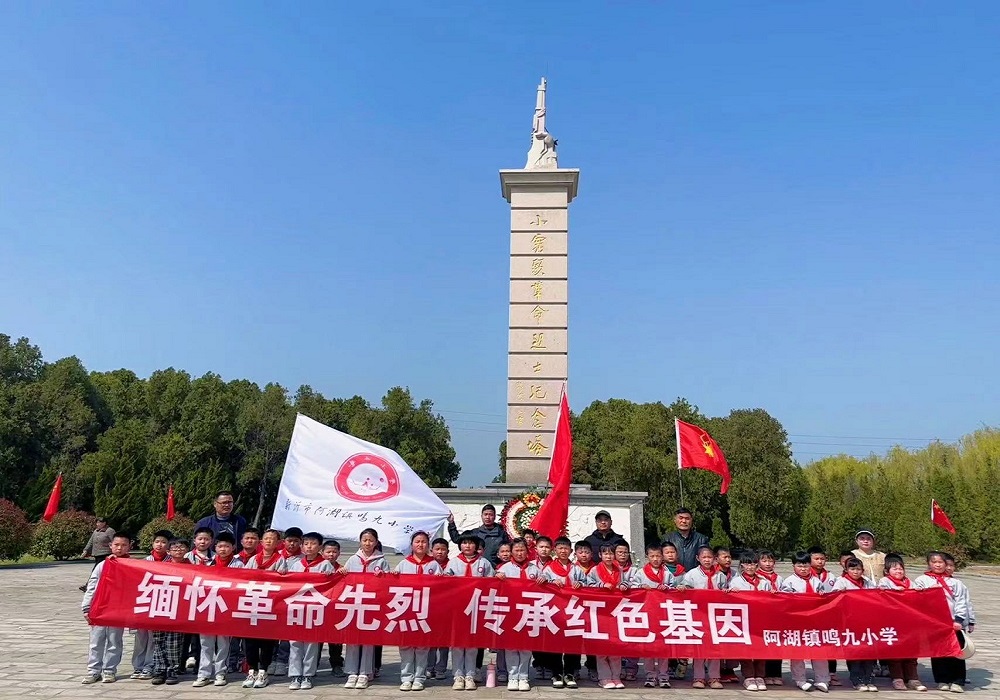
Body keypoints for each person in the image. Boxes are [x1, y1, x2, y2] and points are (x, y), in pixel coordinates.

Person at [914, 551, 971, 694]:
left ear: (946, 564)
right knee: (938, 653)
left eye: (941, 562)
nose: (938, 565)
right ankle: (942, 680)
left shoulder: (955, 583)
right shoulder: (922, 580)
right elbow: (915, 598)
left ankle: (958, 680)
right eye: (934, 562)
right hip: (934, 623)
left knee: (956, 652)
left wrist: (959, 619)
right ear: (929, 564)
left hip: (952, 623)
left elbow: (961, 602)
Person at [444, 533, 495, 690]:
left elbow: (491, 583)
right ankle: (458, 675)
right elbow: (445, 582)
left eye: (471, 543)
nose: (467, 546)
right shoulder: (453, 562)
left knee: (473, 645)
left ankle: (470, 675)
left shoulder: (484, 563)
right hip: (457, 609)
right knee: (457, 644)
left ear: (476, 546)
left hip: (476, 609)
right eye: (464, 543)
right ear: (460, 545)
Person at [191, 532, 242, 688]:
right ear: (215, 547)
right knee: (206, 644)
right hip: (208, 608)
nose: (223, 549)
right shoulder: (208, 563)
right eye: (220, 546)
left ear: (233, 547)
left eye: (227, 546)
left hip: (227, 609)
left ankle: (220, 673)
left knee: (223, 644)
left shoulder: (239, 565)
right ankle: (204, 674)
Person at [81, 531, 131, 684]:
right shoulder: (103, 565)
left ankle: (109, 670)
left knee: (114, 641)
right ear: (110, 546)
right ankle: (93, 671)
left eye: (123, 545)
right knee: (96, 641)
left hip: (119, 610)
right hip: (100, 608)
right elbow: (92, 586)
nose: (119, 548)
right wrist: (86, 607)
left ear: (130, 547)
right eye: (116, 545)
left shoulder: (133, 566)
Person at [285, 531, 334, 691]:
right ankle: (295, 674)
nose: (309, 546)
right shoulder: (296, 564)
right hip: (297, 608)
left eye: (313, 543)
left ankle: (308, 674)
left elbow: (332, 585)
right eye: (306, 543)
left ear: (320, 546)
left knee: (311, 643)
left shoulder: (325, 564)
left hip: (315, 609)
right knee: (295, 643)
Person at [394, 531, 441, 691]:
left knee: (422, 647)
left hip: (425, 611)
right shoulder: (403, 564)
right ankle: (406, 677)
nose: (420, 544)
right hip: (406, 610)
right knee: (406, 645)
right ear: (412, 544)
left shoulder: (434, 565)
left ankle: (420, 677)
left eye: (423, 542)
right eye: (417, 541)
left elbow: (441, 588)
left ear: (428, 544)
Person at [780, 551, 833, 693]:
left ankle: (822, 679)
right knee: (798, 652)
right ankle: (800, 679)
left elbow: (824, 600)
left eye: (806, 565)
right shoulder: (789, 581)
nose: (803, 569)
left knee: (819, 651)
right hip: (797, 622)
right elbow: (784, 601)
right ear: (793, 566)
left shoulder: (816, 580)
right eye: (799, 566)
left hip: (815, 621)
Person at [538, 536, 586, 688]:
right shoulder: (548, 568)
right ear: (555, 551)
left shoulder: (576, 569)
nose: (563, 551)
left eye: (566, 548)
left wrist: (580, 584)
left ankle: (570, 672)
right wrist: (550, 582)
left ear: (571, 551)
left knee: (573, 642)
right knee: (556, 643)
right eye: (560, 548)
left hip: (573, 611)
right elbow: (541, 581)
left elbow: (588, 585)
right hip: (556, 611)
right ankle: (556, 673)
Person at [343, 528, 387, 689]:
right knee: (353, 640)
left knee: (369, 641)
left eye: (371, 540)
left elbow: (388, 583)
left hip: (372, 605)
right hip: (354, 605)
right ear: (360, 541)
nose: (367, 543)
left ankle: (365, 672)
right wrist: (341, 572)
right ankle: (351, 672)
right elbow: (343, 577)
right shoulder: (353, 559)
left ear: (376, 542)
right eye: (364, 540)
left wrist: (384, 575)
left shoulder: (381, 560)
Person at [679, 546, 728, 689]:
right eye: (704, 557)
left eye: (709, 557)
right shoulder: (691, 574)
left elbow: (726, 592)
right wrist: (684, 589)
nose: (707, 560)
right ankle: (698, 677)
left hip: (716, 616)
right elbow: (684, 588)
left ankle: (714, 677)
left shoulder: (720, 575)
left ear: (714, 559)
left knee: (714, 647)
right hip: (698, 615)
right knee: (699, 647)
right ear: (697, 559)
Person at [242, 529, 285, 688]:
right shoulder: (254, 559)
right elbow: (244, 578)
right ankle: (252, 670)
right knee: (250, 641)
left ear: (278, 543)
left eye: (272, 539)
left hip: (270, 606)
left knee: (267, 640)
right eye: (266, 538)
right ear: (261, 541)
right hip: (253, 604)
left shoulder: (280, 560)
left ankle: (263, 671)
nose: (268, 541)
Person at [877, 554, 927, 692]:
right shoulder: (884, 581)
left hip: (910, 623)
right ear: (887, 571)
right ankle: (897, 678)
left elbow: (920, 597)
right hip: (893, 623)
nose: (899, 571)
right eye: (895, 569)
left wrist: (918, 592)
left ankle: (913, 678)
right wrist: (892, 592)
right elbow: (880, 595)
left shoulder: (910, 582)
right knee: (896, 653)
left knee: (911, 651)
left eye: (901, 569)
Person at [496, 538, 539, 691]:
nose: (520, 553)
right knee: (511, 647)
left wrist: (545, 579)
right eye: (517, 550)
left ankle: (524, 677)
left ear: (527, 552)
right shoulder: (504, 569)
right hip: (511, 613)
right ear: (512, 552)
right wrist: (497, 579)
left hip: (529, 612)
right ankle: (512, 677)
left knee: (526, 647)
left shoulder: (534, 569)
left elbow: (546, 588)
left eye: (522, 550)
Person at [728, 551, 773, 691]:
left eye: (753, 563)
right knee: (746, 648)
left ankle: (760, 675)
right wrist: (732, 592)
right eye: (747, 564)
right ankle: (748, 676)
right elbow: (727, 598)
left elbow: (772, 600)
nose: (751, 567)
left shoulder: (765, 582)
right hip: (744, 621)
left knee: (761, 648)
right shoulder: (736, 581)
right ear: (742, 565)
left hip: (761, 619)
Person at [131, 530, 172, 680]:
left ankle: (149, 665)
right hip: (145, 603)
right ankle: (137, 666)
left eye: (163, 542)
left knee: (154, 638)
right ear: (152, 543)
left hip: (162, 603)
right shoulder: (144, 561)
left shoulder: (172, 561)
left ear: (168, 545)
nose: (159, 545)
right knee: (140, 637)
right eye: (157, 542)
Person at [633, 543, 675, 688]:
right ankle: (650, 675)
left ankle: (663, 676)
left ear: (662, 557)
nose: (656, 559)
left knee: (663, 647)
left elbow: (675, 590)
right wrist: (640, 587)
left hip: (663, 614)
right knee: (648, 647)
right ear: (647, 557)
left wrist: (667, 588)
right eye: (652, 556)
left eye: (658, 556)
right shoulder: (640, 573)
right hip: (647, 613)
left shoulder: (667, 573)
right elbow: (632, 588)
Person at [831, 557, 876, 691]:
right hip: (849, 623)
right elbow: (834, 598)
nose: (855, 572)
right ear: (846, 570)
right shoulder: (841, 582)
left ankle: (869, 679)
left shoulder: (867, 582)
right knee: (855, 652)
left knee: (869, 652)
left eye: (858, 569)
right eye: (852, 569)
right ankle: (857, 680)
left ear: (863, 570)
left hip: (867, 622)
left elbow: (876, 596)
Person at [150, 538, 190, 685]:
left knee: (173, 642)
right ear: (168, 551)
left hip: (179, 609)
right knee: (158, 640)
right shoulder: (161, 566)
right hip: (161, 606)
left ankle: (172, 669)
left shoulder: (193, 566)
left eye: (181, 548)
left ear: (187, 550)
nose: (178, 550)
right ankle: (160, 668)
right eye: (174, 548)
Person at [593, 544, 627, 689]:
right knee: (601, 648)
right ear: (600, 556)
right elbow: (589, 585)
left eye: (611, 554)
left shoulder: (619, 570)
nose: (608, 556)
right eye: (605, 554)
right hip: (600, 612)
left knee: (615, 647)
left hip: (616, 611)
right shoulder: (595, 570)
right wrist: (601, 584)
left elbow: (625, 582)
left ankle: (616, 676)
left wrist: (624, 585)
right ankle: (604, 677)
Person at [756, 550, 784, 686]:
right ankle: (765, 674)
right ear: (758, 562)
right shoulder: (756, 578)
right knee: (764, 644)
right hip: (761, 616)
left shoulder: (779, 579)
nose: (768, 564)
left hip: (777, 616)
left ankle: (776, 673)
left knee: (777, 644)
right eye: (764, 561)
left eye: (770, 561)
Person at [427, 537, 452, 681]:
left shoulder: (453, 565)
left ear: (448, 551)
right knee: (430, 640)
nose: (440, 552)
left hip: (447, 608)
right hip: (430, 607)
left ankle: (441, 668)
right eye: (437, 549)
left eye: (443, 550)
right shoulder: (428, 564)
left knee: (443, 641)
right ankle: (429, 668)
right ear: (432, 551)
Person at [665, 508, 710, 572]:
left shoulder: (701, 539)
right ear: (675, 520)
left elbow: (707, 558)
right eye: (681, 518)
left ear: (691, 520)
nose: (684, 521)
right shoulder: (667, 538)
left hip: (695, 577)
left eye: (687, 518)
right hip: (673, 576)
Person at [79, 517, 116, 591]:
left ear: (104, 523)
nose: (97, 524)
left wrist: (115, 552)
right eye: (97, 522)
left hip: (106, 554)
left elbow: (115, 542)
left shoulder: (110, 531)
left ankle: (88, 586)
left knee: (96, 570)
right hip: (97, 554)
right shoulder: (96, 531)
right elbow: (91, 542)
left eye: (99, 522)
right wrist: (85, 550)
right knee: (102, 571)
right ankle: (101, 586)